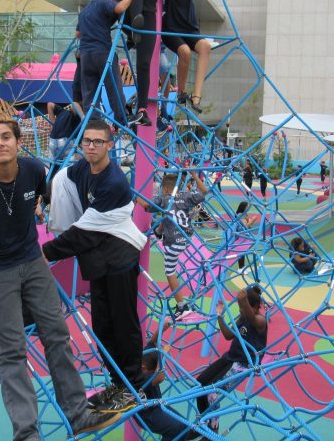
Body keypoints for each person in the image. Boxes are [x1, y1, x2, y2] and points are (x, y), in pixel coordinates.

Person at [0, 116, 120, 439]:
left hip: (31, 259)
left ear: (18, 142)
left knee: (57, 334)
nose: (0, 143)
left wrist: (38, 211)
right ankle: (27, 432)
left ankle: (78, 413)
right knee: (11, 351)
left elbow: (41, 195)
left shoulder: (32, 170)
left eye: (6, 137)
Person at [43, 120, 148, 413]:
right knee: (102, 326)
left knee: (123, 323)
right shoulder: (82, 169)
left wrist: (44, 252)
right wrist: (40, 196)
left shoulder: (113, 182)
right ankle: (119, 383)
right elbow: (59, 178)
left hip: (119, 259)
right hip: (100, 261)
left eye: (98, 142)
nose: (91, 146)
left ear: (110, 146)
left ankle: (133, 386)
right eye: (87, 141)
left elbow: (84, 233)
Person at [195, 287, 268, 437]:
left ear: (255, 307)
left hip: (243, 364)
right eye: (240, 307)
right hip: (230, 358)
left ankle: (213, 430)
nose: (241, 310)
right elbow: (228, 335)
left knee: (212, 392)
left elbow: (253, 319)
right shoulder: (243, 317)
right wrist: (219, 315)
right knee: (200, 383)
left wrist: (243, 300)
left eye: (243, 307)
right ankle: (204, 421)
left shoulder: (260, 320)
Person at [137, 170, 208, 319]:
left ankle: (182, 306)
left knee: (170, 272)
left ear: (165, 189)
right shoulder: (184, 196)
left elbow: (146, 205)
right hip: (186, 237)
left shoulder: (163, 199)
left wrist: (136, 195)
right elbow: (204, 191)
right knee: (168, 215)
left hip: (173, 243)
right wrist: (195, 176)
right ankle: (159, 231)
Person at [163, 0, 211, 114]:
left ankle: (196, 96)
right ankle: (181, 92)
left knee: (205, 46)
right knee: (184, 52)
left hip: (189, 29)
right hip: (172, 29)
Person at [77, 0, 133, 127]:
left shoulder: (85, 10)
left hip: (85, 56)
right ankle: (121, 117)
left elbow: (77, 34)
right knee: (113, 86)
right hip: (102, 51)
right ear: (111, 0)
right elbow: (119, 8)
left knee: (89, 91)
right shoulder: (104, 3)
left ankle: (92, 120)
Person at [134, 322, 200, 440]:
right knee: (178, 429)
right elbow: (159, 377)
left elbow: (152, 342)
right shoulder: (138, 377)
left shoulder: (144, 360)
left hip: (157, 406)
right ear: (144, 368)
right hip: (146, 415)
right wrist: (163, 356)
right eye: (152, 371)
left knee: (185, 427)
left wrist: (161, 329)